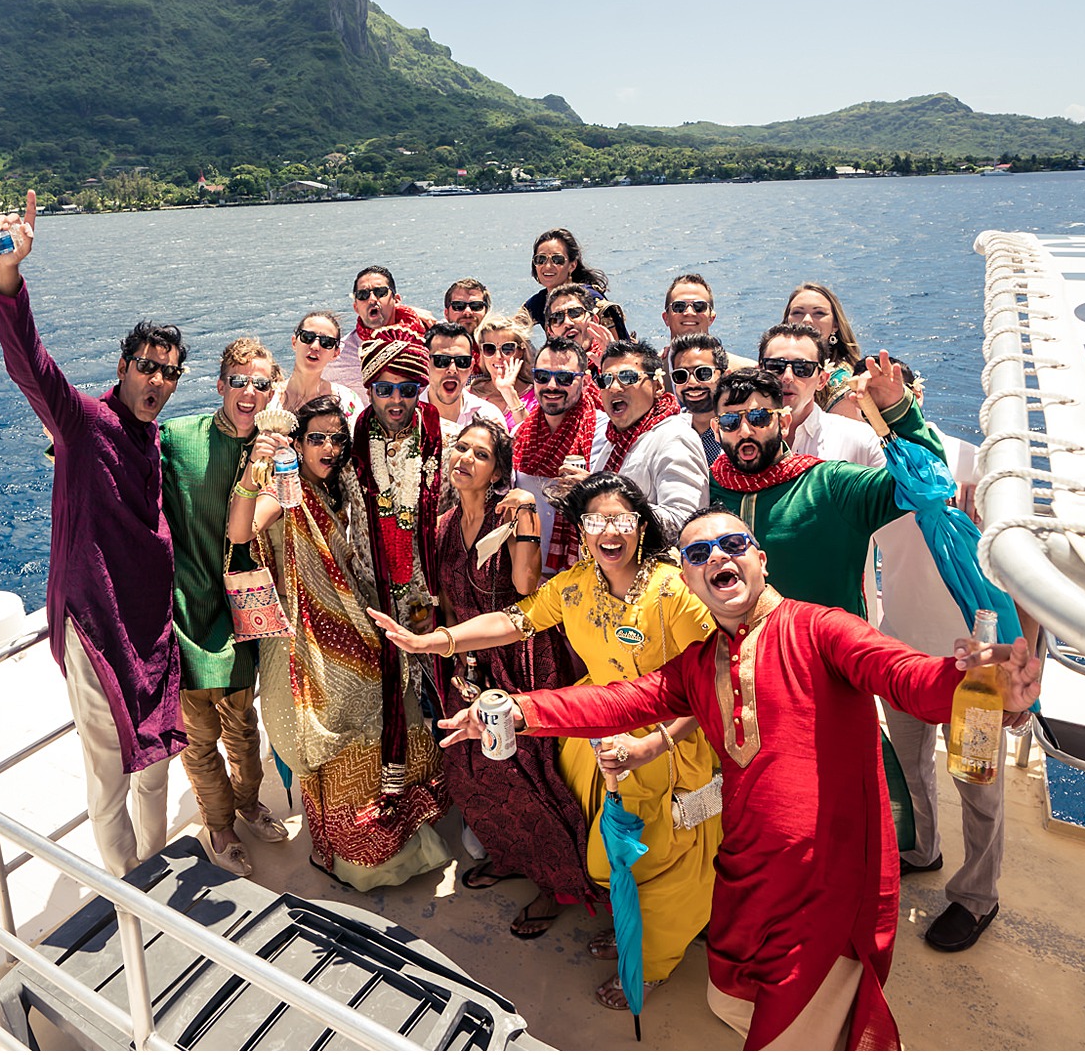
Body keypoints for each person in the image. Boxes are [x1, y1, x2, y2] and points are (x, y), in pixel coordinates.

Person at [435, 506, 1041, 1049]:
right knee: (731, 993)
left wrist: (973, 682)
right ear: (689, 578)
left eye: (733, 544)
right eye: (698, 554)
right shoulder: (699, 663)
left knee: (802, 1019)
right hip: (745, 865)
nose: (717, 557)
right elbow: (618, 701)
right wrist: (521, 710)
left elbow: (902, 672)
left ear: (760, 558)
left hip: (822, 876)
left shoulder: (821, 629)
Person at [373, 474, 719, 1012]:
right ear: (580, 530)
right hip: (596, 736)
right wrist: (433, 641)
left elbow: (707, 688)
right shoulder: (576, 585)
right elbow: (513, 621)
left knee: (670, 862)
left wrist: (654, 747)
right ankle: (633, 926)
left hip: (672, 743)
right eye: (595, 520)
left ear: (641, 525)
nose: (609, 532)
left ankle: (652, 960)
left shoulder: (675, 592)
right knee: (613, 852)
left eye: (621, 519)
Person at [0, 190, 185, 876]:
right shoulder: (82, 424)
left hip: (150, 625)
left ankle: (160, 867)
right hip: (96, 622)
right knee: (107, 771)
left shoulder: (152, 436)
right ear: (123, 366)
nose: (156, 378)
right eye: (146, 365)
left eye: (169, 371)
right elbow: (29, 364)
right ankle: (131, 887)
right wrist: (8, 275)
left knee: (158, 758)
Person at [229, 396, 451, 888]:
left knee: (377, 711)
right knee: (332, 733)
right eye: (316, 438)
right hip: (303, 640)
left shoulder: (331, 491)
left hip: (345, 625)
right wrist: (255, 469)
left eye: (336, 439)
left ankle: (389, 842)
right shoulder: (284, 487)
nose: (328, 447)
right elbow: (242, 530)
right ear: (297, 443)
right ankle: (351, 853)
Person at [863, 364, 1028, 953]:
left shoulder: (973, 464)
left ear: (916, 394)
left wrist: (1025, 668)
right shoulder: (866, 470)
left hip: (976, 668)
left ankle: (978, 897)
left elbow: (1021, 574)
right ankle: (921, 851)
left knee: (977, 787)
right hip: (903, 655)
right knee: (911, 771)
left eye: (898, 389)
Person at [422, 419, 595, 938]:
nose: (465, 458)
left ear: (499, 469)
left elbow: (524, 583)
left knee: (530, 777)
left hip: (519, 660)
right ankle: (511, 855)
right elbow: (449, 598)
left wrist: (525, 518)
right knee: (473, 772)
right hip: (469, 662)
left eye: (481, 453)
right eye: (462, 448)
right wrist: (450, 660)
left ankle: (557, 886)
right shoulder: (445, 523)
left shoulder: (515, 514)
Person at [159, 337, 293, 877]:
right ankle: (218, 823)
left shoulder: (278, 454)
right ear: (219, 385)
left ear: (273, 392)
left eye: (261, 384)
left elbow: (264, 520)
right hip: (186, 603)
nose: (248, 393)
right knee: (199, 731)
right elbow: (112, 453)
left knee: (243, 723)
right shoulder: (178, 436)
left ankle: (248, 802)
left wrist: (267, 458)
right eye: (238, 381)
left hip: (244, 607)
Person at [705, 362, 943, 621]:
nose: (745, 431)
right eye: (730, 421)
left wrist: (899, 412)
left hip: (823, 657)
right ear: (717, 430)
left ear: (783, 422)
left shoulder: (831, 485)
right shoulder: (706, 488)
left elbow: (926, 485)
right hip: (735, 656)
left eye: (759, 418)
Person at [352, 327, 447, 634]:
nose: (396, 400)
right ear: (369, 391)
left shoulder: (450, 443)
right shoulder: (348, 451)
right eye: (384, 389)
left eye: (407, 390)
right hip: (370, 600)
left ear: (419, 390)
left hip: (430, 599)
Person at [587, 338, 711, 535]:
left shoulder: (675, 437)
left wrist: (598, 498)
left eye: (627, 377)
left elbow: (685, 523)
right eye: (605, 380)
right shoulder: (615, 440)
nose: (614, 388)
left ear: (658, 386)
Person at [510, 336, 599, 577]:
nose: (551, 385)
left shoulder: (602, 434)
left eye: (564, 378)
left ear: (586, 381)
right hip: (529, 575)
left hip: (587, 574)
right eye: (542, 376)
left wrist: (593, 487)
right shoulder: (519, 435)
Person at [758, 322, 885, 465]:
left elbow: (905, 485)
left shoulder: (860, 440)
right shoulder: (733, 440)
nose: (788, 377)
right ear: (759, 373)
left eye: (802, 368)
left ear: (822, 380)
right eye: (775, 367)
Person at [323, 266, 432, 397]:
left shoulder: (428, 338)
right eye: (363, 295)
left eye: (380, 292)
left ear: (396, 300)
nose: (372, 299)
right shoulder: (337, 357)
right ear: (356, 307)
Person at [782, 283, 865, 415]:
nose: (807, 320)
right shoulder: (775, 369)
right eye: (797, 312)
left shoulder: (843, 383)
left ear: (835, 325)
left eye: (819, 313)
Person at [275, 311, 365, 421]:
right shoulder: (267, 397)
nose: (315, 346)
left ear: (336, 353)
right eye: (307, 337)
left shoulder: (349, 401)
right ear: (294, 342)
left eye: (327, 342)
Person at [422, 321, 501, 442]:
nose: (452, 370)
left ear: (471, 366)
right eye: (442, 361)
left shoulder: (489, 415)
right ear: (425, 363)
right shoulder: (408, 416)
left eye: (462, 361)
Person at [662, 275, 756, 371]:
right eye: (679, 306)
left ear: (711, 318)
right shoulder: (650, 371)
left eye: (699, 306)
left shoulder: (747, 370)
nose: (689, 312)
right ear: (666, 318)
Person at [522, 227, 608, 326]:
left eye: (557, 259)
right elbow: (512, 329)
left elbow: (617, 339)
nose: (548, 266)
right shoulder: (538, 303)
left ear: (572, 265)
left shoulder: (591, 299)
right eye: (541, 259)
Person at [469, 311, 536, 431]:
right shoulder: (469, 394)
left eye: (507, 349)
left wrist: (509, 393)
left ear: (520, 352)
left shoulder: (538, 397)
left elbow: (533, 439)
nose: (498, 356)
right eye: (490, 349)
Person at [668, 332, 728, 466]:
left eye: (703, 373)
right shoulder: (666, 432)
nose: (692, 383)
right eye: (681, 375)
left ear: (724, 376)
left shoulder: (743, 430)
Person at [543, 284, 606, 366]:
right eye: (557, 317)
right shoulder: (544, 372)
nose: (567, 322)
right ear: (550, 332)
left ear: (594, 320)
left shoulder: (619, 362)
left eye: (575, 313)